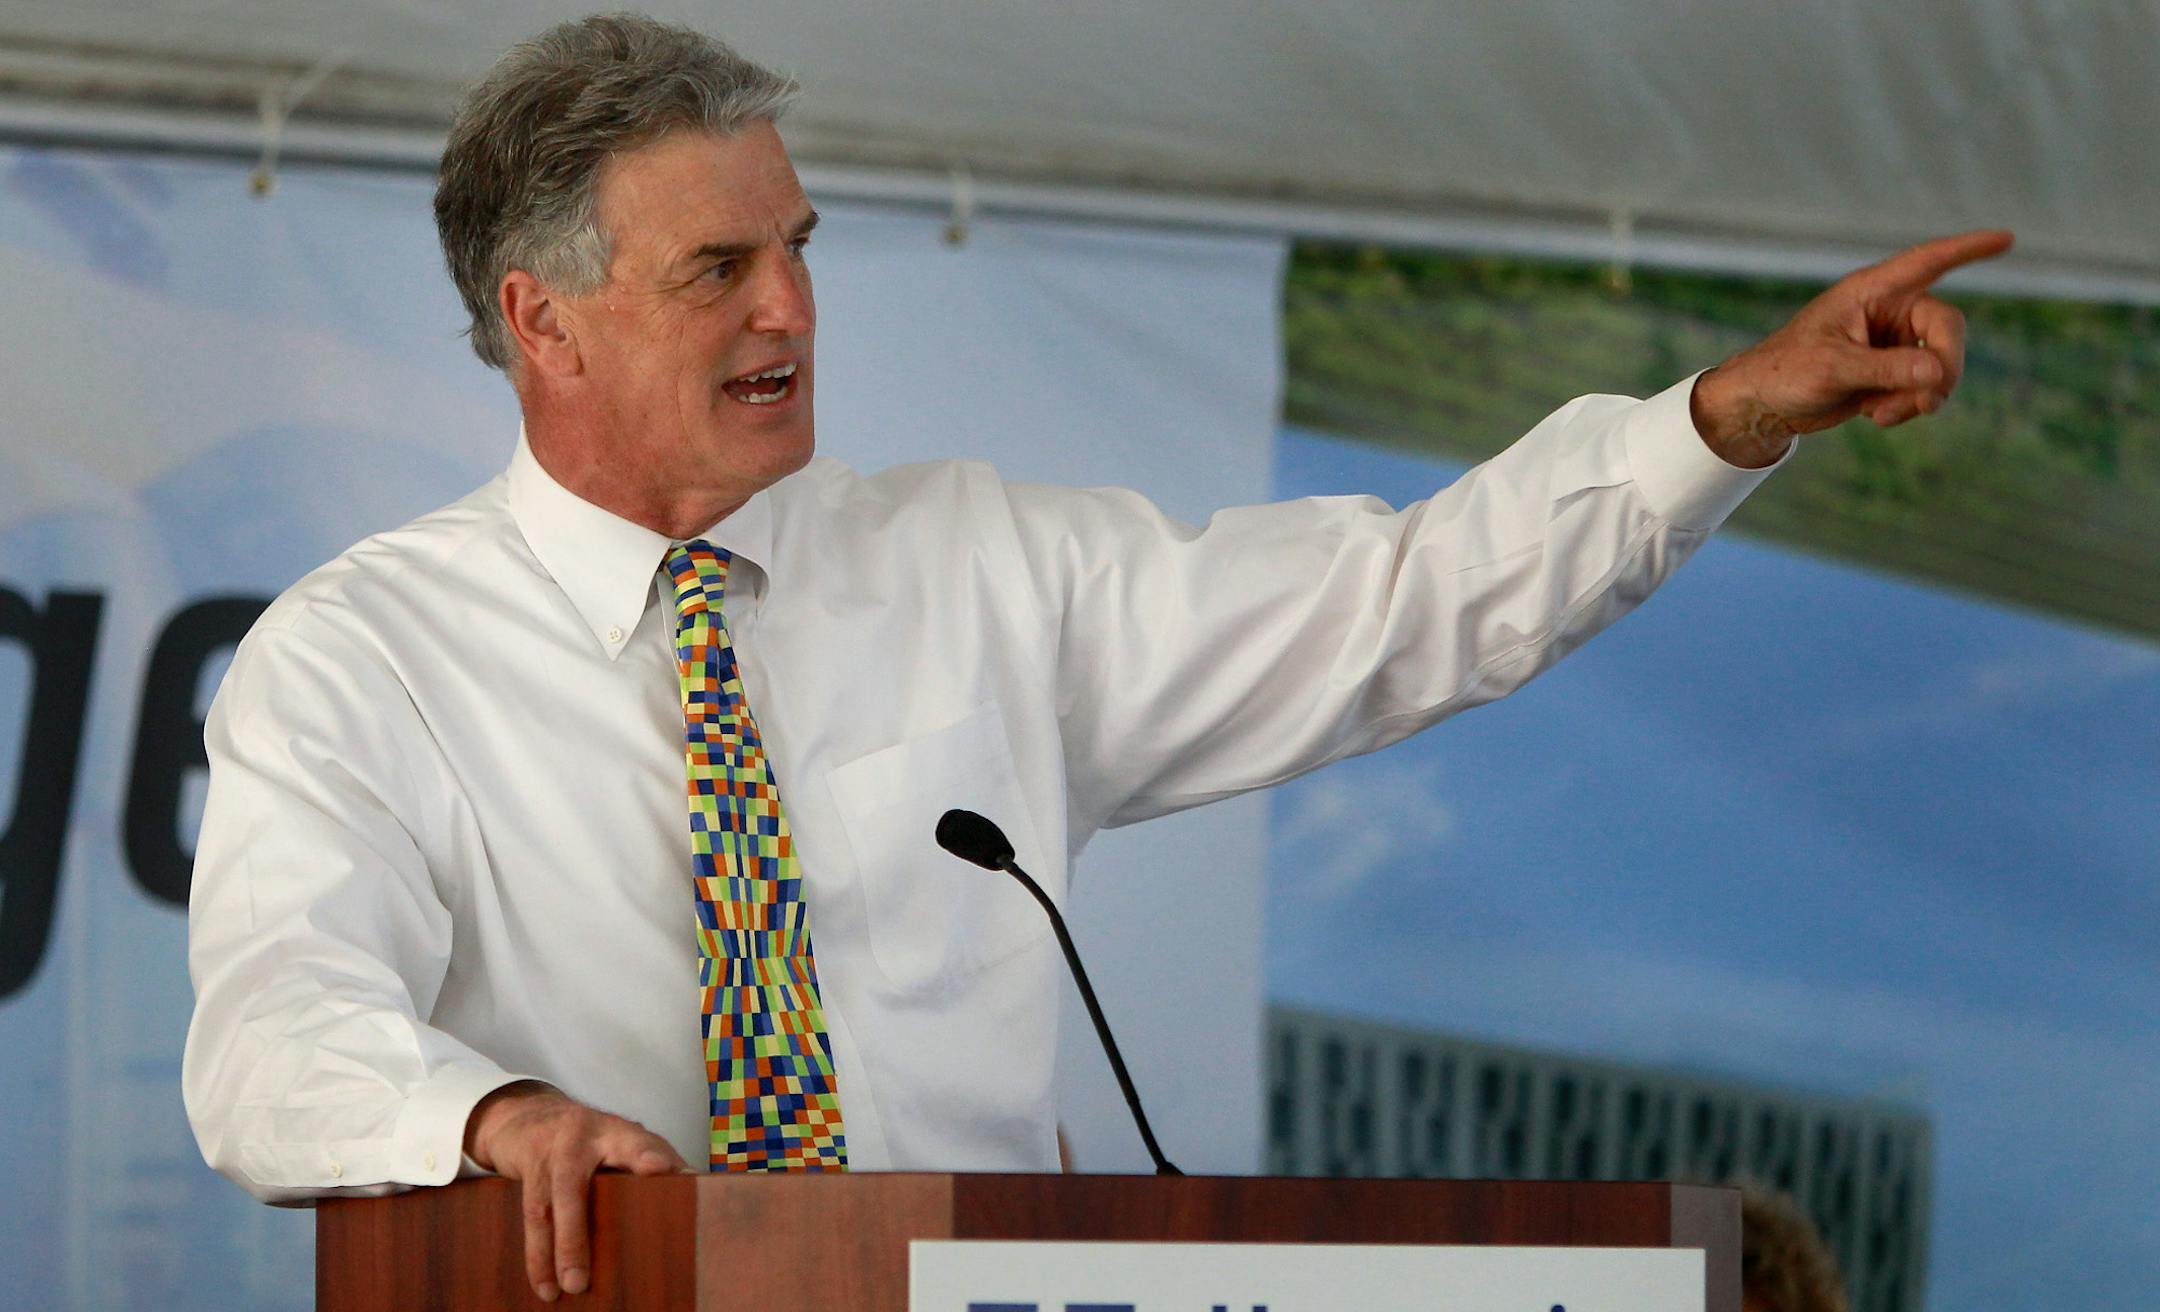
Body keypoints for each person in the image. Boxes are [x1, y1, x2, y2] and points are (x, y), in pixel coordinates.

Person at [181, 12, 2009, 1304]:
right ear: (539, 321)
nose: (792, 309)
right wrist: (487, 1115)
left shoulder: (974, 564)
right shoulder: (364, 659)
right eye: (717, 267)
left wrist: (1719, 422)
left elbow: (1400, 603)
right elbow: (272, 1032)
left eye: (801, 250)